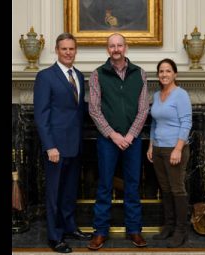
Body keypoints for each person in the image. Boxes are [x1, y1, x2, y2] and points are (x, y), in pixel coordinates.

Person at [87, 33, 149, 250]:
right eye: (112, 46)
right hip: (107, 140)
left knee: (132, 185)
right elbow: (94, 110)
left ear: (126, 47)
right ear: (107, 49)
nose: (116, 49)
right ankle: (100, 232)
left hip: (133, 140)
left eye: (119, 45)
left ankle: (134, 230)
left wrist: (130, 135)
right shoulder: (97, 75)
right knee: (104, 185)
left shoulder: (139, 73)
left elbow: (144, 109)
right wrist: (113, 135)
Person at [34, 32, 92, 253]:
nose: (68, 52)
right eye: (64, 49)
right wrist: (50, 146)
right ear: (57, 50)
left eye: (71, 49)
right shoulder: (45, 76)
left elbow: (78, 109)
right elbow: (41, 115)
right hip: (56, 148)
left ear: (76, 51)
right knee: (55, 194)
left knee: (69, 192)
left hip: (75, 145)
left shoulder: (78, 75)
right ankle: (55, 236)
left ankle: (69, 227)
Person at [146, 58, 192, 247]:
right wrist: (151, 146)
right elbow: (154, 123)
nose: (164, 74)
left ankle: (181, 231)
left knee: (177, 189)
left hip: (175, 149)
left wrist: (178, 148)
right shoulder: (157, 95)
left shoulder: (181, 95)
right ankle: (169, 226)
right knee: (165, 189)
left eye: (168, 71)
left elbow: (186, 122)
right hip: (157, 149)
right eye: (161, 71)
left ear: (175, 74)